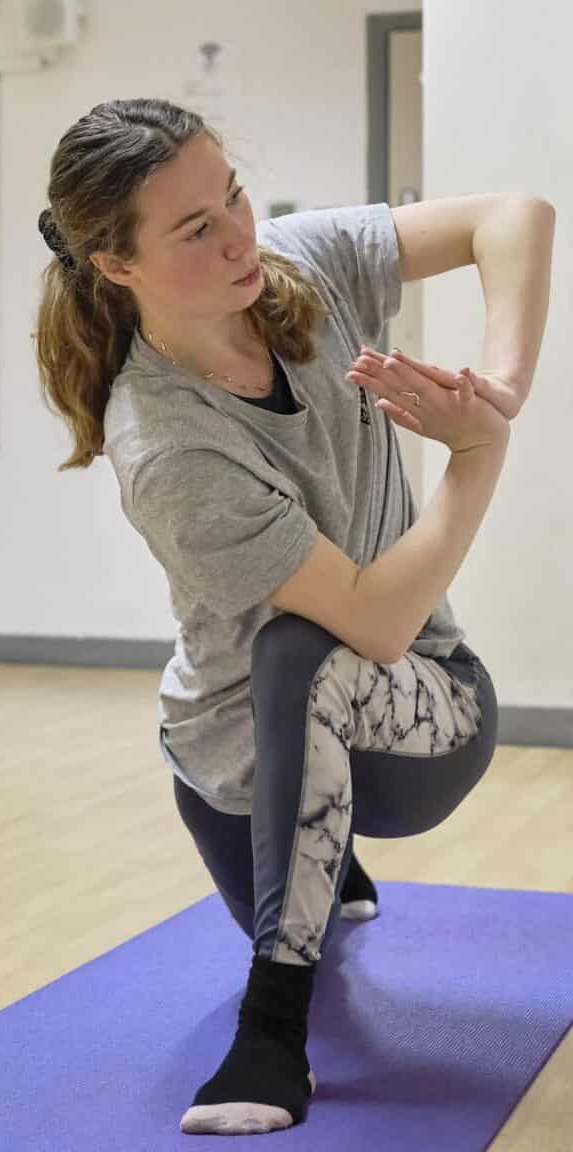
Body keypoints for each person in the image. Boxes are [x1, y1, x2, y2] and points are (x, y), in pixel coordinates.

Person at [33, 98, 553, 1135]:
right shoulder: (168, 447)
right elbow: (375, 611)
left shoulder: (291, 265)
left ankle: (272, 1032)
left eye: (232, 195)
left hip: (424, 709)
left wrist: (493, 395)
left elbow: (515, 215)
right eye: (195, 229)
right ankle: (327, 856)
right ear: (115, 264)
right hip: (231, 767)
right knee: (289, 673)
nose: (239, 236)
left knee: (299, 650)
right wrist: (477, 459)